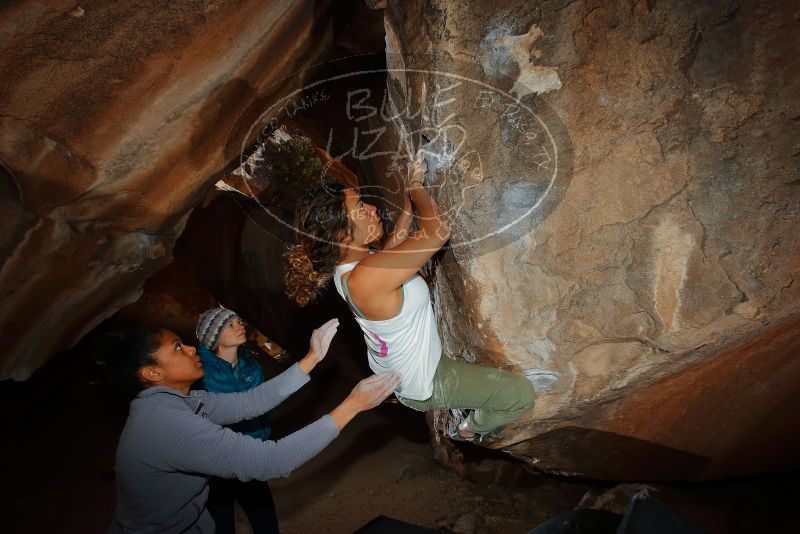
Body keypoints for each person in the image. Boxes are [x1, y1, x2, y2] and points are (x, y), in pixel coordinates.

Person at [284, 153, 535, 442]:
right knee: (519, 394)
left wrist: (407, 204)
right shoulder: (364, 278)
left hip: (401, 372)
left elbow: (392, 250)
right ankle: (468, 430)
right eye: (360, 209)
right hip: (428, 381)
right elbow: (437, 231)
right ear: (342, 235)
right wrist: (416, 187)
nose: (372, 208)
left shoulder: (347, 271)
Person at [102, 322, 400, 533]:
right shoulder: (165, 424)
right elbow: (270, 461)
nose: (192, 348)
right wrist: (354, 405)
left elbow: (249, 402)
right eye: (177, 347)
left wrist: (311, 358)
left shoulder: (183, 401)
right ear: (153, 372)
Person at [194, 306, 315, 533]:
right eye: (230, 325)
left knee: (266, 523)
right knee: (221, 525)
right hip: (216, 462)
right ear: (214, 337)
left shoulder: (251, 366)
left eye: (239, 321)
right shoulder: (199, 375)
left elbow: (261, 406)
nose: (240, 325)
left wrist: (261, 441)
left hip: (251, 453)